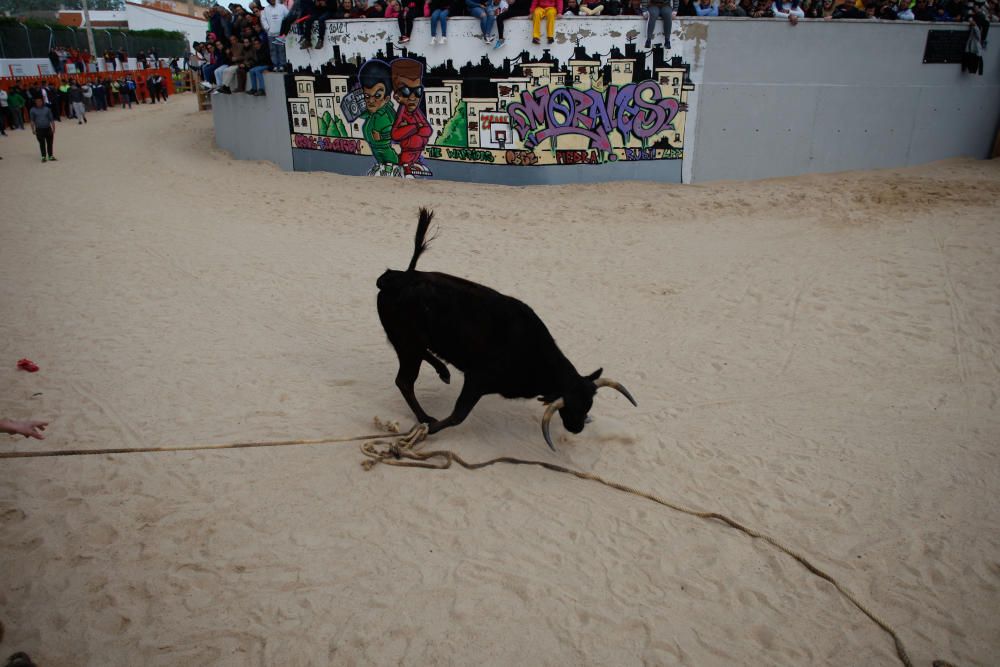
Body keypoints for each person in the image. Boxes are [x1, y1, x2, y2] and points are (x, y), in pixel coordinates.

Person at [390, 59, 432, 177]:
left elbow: (428, 130)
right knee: (407, 173)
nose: (413, 97)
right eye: (406, 91)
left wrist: (412, 128)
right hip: (406, 156)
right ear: (397, 97)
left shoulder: (417, 112)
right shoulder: (402, 112)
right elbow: (395, 134)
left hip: (417, 155)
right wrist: (415, 127)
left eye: (418, 91)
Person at [261, 0, 290, 71]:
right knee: (273, 50)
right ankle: (275, 65)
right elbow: (263, 20)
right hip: (270, 34)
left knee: (281, 50)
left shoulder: (282, 7)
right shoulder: (266, 9)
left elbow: (288, 16)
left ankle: (282, 65)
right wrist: (267, 28)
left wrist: (284, 29)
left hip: (280, 33)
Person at [29, 97, 56, 162]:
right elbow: (32, 120)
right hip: (39, 129)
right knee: (42, 143)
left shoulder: (47, 109)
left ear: (42, 102)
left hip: (48, 128)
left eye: (40, 101)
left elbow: (51, 119)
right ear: (35, 102)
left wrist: (53, 128)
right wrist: (33, 129)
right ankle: (43, 156)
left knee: (50, 143)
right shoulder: (32, 110)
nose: (39, 103)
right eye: (37, 101)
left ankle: (50, 156)